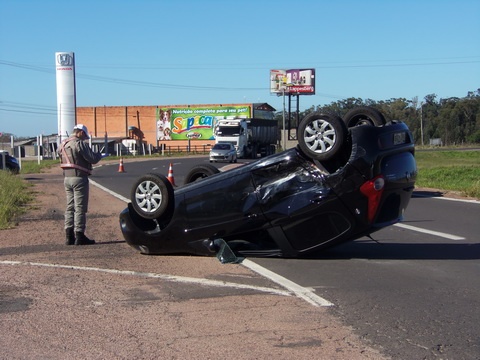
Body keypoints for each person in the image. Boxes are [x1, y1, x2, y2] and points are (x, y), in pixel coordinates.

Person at [59, 124, 105, 245]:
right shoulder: (79, 144)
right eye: (84, 135)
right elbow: (92, 159)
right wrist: (100, 155)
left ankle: (69, 236)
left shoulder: (63, 144)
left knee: (70, 206)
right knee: (80, 207)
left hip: (67, 178)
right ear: (80, 133)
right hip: (79, 178)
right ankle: (79, 235)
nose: (85, 138)